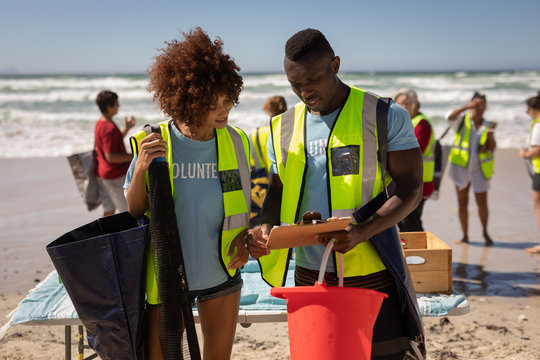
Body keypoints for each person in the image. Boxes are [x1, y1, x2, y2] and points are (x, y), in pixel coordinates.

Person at [247, 28, 426, 359]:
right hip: (308, 274)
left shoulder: (383, 115)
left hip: (372, 270)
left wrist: (363, 232)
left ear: (336, 64)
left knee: (382, 354)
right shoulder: (281, 127)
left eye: (312, 80)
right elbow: (276, 191)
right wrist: (263, 226)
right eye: (295, 84)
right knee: (320, 352)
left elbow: (411, 189)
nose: (305, 91)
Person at [124, 27, 250, 360]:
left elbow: (241, 204)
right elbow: (135, 210)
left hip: (222, 273)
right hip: (165, 277)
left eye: (228, 100)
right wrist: (140, 169)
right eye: (212, 103)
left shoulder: (237, 142)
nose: (223, 110)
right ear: (189, 98)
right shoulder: (153, 140)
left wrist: (246, 238)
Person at [446, 92, 496, 246]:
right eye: (476, 104)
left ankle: (485, 232)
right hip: (460, 168)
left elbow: (491, 149)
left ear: (485, 107)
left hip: (479, 170)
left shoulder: (488, 125)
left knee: (482, 203)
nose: (479, 108)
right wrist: (467, 106)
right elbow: (449, 117)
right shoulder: (462, 122)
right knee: (462, 202)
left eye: (482, 105)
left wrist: (490, 135)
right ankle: (465, 235)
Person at [394, 88, 435, 232]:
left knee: (411, 224)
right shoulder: (405, 122)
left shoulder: (421, 123)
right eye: (399, 104)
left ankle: (419, 254)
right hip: (406, 181)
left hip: (420, 183)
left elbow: (415, 152)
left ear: (415, 104)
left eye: (406, 103)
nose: (403, 107)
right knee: (403, 223)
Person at [94, 90, 135, 216]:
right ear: (109, 106)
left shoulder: (101, 123)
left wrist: (126, 128)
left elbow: (111, 143)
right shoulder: (109, 128)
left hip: (102, 173)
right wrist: (134, 156)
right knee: (127, 212)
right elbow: (111, 157)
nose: (119, 106)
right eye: (117, 104)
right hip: (114, 175)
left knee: (109, 210)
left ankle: (104, 235)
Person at [249, 96, 287, 226]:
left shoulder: (256, 133)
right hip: (281, 183)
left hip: (261, 184)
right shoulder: (289, 132)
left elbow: (252, 164)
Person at [519, 91, 540, 254]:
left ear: (533, 108)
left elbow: (537, 150)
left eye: (528, 111)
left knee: (538, 207)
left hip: (539, 172)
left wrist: (524, 154)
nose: (528, 114)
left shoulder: (538, 125)